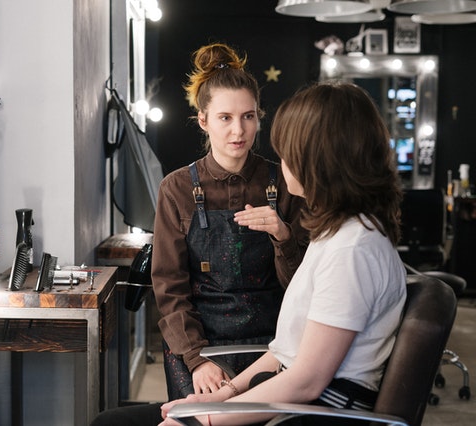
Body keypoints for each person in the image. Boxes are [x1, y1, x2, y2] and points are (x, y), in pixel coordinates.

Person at [91, 81, 406, 426]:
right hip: (282, 388)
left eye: (288, 153)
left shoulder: (352, 249)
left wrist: (203, 420)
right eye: (225, 117)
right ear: (204, 120)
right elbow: (286, 351)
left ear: (317, 160)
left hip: (310, 410)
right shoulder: (336, 234)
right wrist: (224, 395)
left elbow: (307, 381)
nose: (280, 163)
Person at [152, 42, 309, 400]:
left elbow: (304, 286)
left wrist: (283, 235)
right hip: (198, 343)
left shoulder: (286, 182)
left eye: (248, 116)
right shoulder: (175, 189)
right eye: (225, 118)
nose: (238, 130)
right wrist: (196, 358)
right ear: (203, 120)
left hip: (275, 343)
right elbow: (169, 286)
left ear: (259, 117)